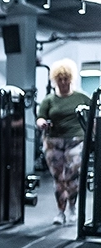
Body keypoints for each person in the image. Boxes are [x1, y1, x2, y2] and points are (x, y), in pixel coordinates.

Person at [36, 58, 90, 226]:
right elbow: (40, 118)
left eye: (66, 79)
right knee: (59, 179)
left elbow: (93, 114)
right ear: (55, 80)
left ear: (70, 79)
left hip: (75, 140)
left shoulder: (81, 97)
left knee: (72, 176)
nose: (63, 82)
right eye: (60, 79)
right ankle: (60, 212)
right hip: (53, 141)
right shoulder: (49, 100)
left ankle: (73, 207)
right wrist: (42, 123)